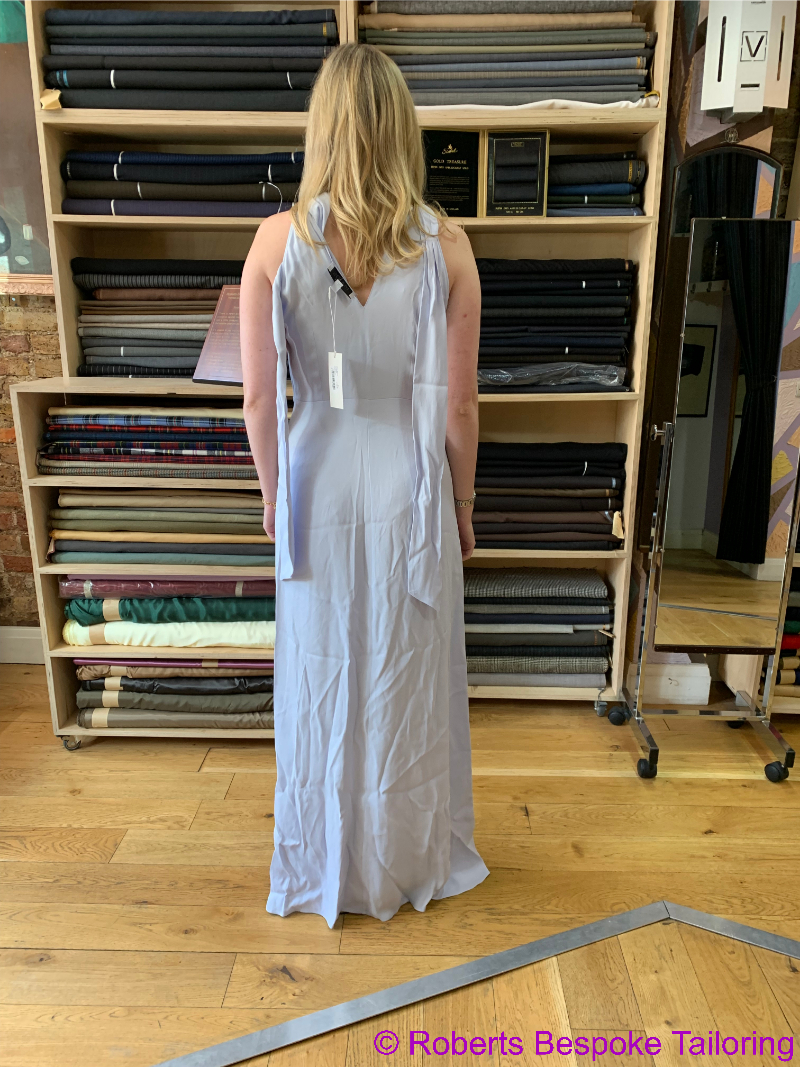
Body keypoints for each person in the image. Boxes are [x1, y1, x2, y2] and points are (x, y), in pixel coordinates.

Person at [240, 42, 489, 928]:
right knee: (403, 677)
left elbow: (259, 400)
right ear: (400, 130)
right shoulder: (446, 246)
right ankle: (403, 857)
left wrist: (273, 496)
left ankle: (324, 864)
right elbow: (458, 404)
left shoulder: (275, 244)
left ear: (323, 128)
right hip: (406, 483)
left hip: (316, 479)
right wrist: (462, 507)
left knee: (320, 676)